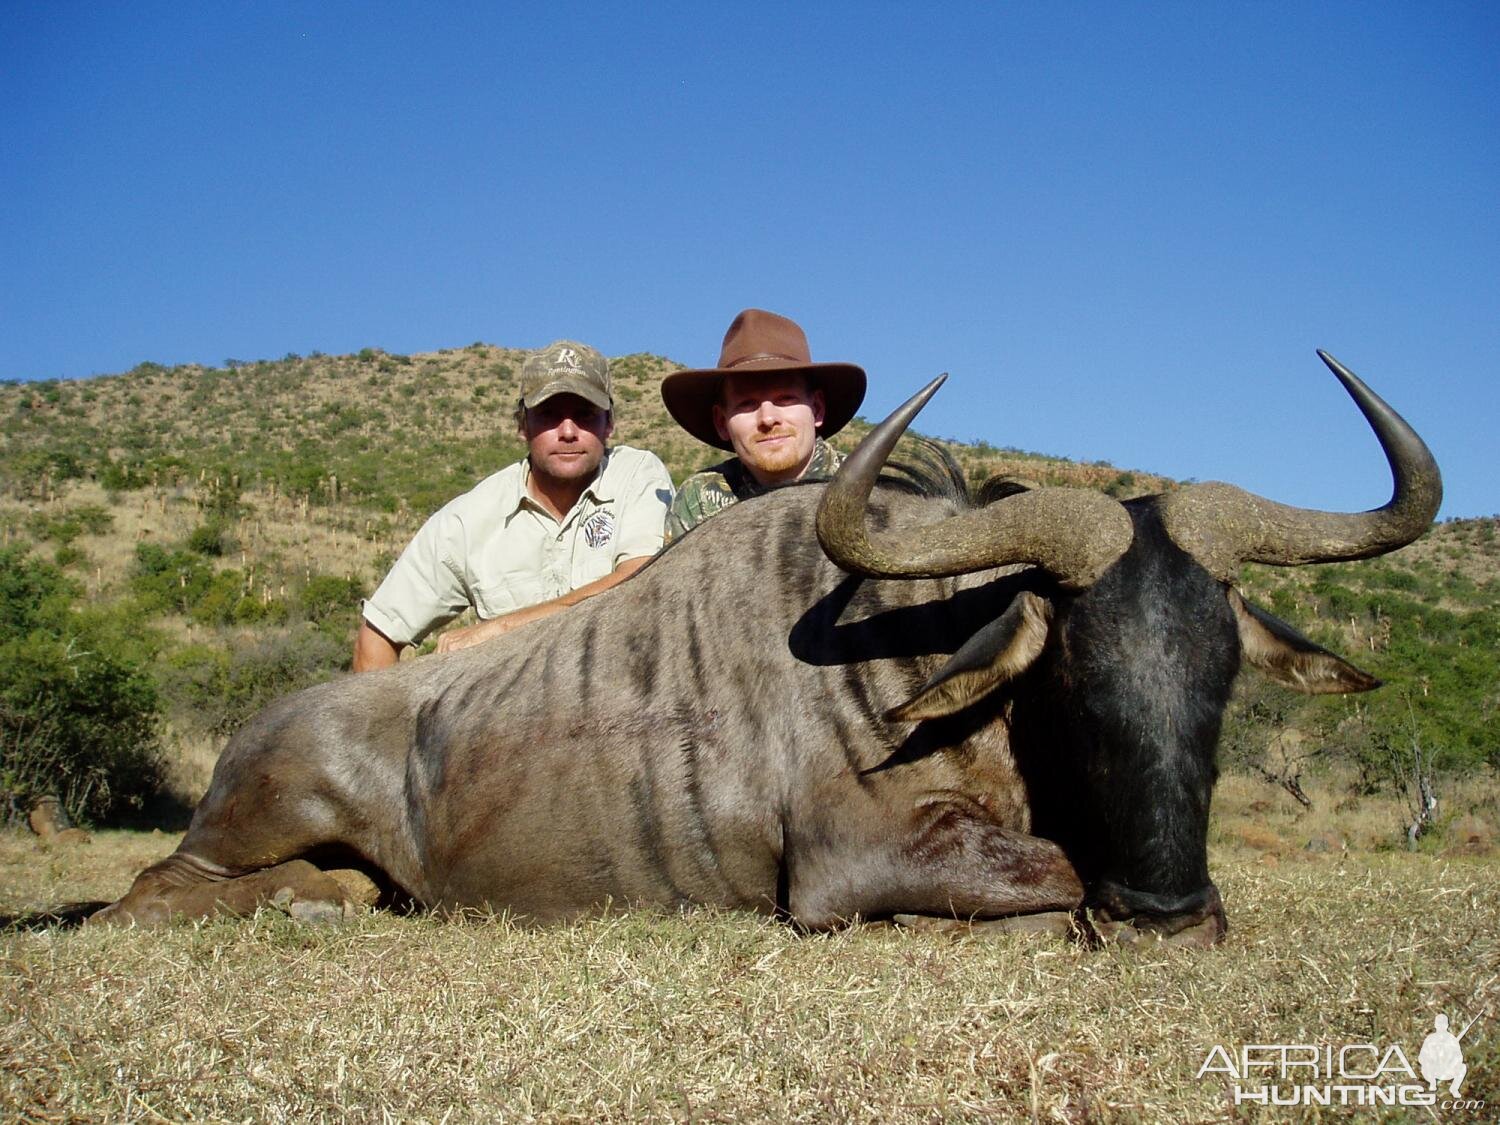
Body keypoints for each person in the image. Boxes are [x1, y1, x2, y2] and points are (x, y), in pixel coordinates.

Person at [353, 340, 672, 670]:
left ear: (609, 425)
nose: (567, 432)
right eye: (548, 415)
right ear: (523, 425)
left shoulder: (637, 474)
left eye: (586, 415)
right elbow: (377, 635)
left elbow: (640, 582)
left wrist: (502, 630)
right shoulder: (468, 519)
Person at [660, 308, 866, 540]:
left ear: (817, 408)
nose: (768, 418)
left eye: (786, 399)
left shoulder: (870, 488)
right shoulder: (698, 499)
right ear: (721, 422)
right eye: (747, 404)